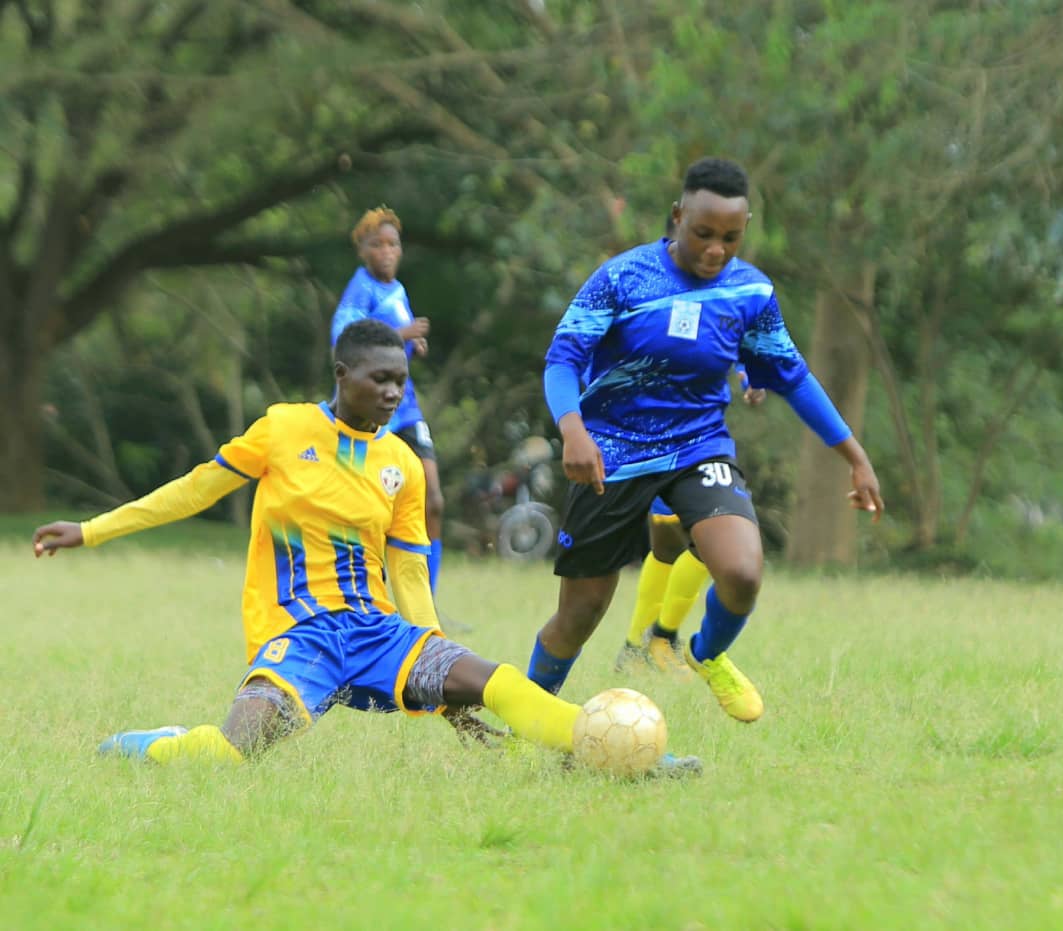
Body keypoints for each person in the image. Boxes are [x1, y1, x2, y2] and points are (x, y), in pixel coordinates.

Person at [33, 320, 699, 774]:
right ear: (341, 372)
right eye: (377, 378)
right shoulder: (283, 429)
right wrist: (91, 530)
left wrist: (442, 679)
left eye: (399, 382)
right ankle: (142, 746)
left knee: (491, 680)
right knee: (234, 755)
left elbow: (410, 572)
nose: (390, 391)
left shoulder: (402, 464)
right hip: (300, 634)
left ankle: (630, 753)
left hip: (378, 632)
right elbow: (193, 490)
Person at [527, 157, 884, 723]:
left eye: (731, 238)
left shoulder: (750, 292)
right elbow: (563, 359)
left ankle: (705, 653)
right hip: (610, 455)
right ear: (676, 217)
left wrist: (855, 457)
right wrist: (572, 429)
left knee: (743, 572)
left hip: (698, 448)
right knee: (580, 614)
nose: (716, 250)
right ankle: (530, 717)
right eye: (703, 234)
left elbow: (791, 375)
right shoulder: (623, 278)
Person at [616, 365, 766, 679]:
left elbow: (732, 325)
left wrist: (747, 369)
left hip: (702, 445)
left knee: (699, 544)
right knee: (670, 543)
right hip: (658, 442)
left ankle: (657, 638)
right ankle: (643, 644)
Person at [331, 207, 445, 596]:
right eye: (376, 244)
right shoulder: (360, 288)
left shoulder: (397, 290)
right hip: (373, 408)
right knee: (364, 503)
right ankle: (361, 590)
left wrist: (414, 344)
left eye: (392, 243)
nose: (386, 251)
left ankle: (425, 598)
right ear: (362, 250)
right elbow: (344, 340)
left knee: (433, 499)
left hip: (407, 404)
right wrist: (402, 333)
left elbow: (396, 346)